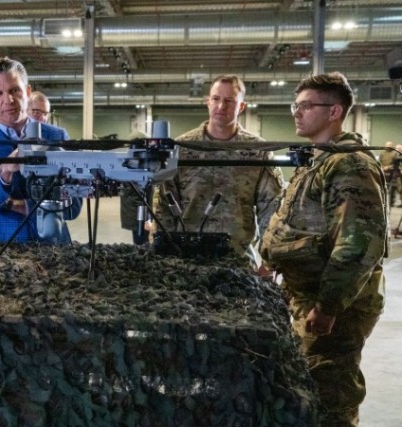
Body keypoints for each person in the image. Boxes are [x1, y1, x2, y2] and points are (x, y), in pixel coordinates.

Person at [261, 72, 387, 426]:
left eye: (305, 106)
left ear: (334, 112)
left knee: (330, 391)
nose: (296, 113)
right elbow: (295, 221)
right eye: (295, 106)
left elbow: (359, 245)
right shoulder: (319, 159)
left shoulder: (348, 163)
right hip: (307, 295)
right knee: (308, 384)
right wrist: (269, 260)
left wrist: (329, 307)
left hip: (334, 305)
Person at [153, 74, 284, 267]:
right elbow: (163, 204)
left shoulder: (257, 151)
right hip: (187, 257)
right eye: (216, 99)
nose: (221, 106)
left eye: (229, 101)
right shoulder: (182, 148)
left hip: (237, 257)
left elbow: (272, 209)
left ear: (241, 107)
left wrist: (269, 260)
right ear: (208, 102)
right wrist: (163, 253)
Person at [0, 57, 81, 243]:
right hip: (1, 256)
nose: (8, 100)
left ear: (28, 91)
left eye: (15, 90)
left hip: (54, 252)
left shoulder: (57, 137)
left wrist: (17, 204)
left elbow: (74, 208)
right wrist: (4, 171)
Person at [119, 129, 153, 246]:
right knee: (142, 242)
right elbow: (139, 194)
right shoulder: (137, 164)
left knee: (139, 241)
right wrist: (147, 217)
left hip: (136, 213)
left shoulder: (128, 162)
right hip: (138, 214)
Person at [378, 141, 400, 208]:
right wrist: (382, 167)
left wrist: (389, 167)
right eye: (387, 145)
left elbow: (396, 163)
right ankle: (381, 200)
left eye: (390, 145)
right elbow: (379, 161)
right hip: (383, 171)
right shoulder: (382, 153)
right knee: (382, 186)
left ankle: (391, 202)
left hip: (392, 172)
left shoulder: (395, 153)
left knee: (392, 187)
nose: (388, 147)